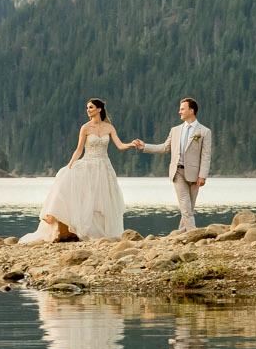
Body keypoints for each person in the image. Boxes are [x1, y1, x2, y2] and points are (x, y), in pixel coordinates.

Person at [19, 98, 131, 243]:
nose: (88, 110)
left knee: (101, 199)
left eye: (90, 107)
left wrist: (131, 144)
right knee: (66, 179)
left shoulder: (109, 128)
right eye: (87, 108)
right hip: (88, 164)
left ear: (99, 109)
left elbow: (120, 145)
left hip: (104, 167)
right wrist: (70, 165)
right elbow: (79, 150)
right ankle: (53, 214)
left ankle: (101, 232)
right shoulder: (85, 128)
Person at [132, 98, 213, 233]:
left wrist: (203, 176)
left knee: (189, 208)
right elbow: (164, 148)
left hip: (195, 174)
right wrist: (144, 146)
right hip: (178, 173)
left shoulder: (204, 131)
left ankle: (181, 233)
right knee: (186, 207)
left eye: (182, 109)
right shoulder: (175, 130)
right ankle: (194, 234)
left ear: (191, 111)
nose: (179, 111)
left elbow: (206, 156)